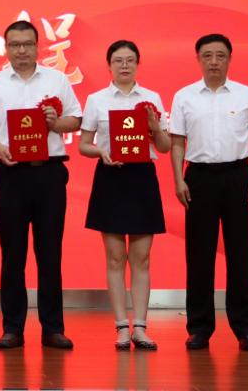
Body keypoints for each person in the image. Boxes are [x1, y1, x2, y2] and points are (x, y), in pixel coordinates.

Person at [0, 20, 82, 350]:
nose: (21, 50)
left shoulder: (56, 79)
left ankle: (53, 328)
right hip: (11, 174)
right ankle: (13, 327)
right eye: (15, 45)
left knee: (50, 253)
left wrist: (55, 123)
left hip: (49, 174)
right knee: (12, 254)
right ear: (6, 48)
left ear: (37, 47)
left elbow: (75, 119)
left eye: (27, 44)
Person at [169, 33, 248, 352]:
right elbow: (177, 143)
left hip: (238, 176)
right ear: (198, 59)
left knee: (241, 254)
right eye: (207, 55)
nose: (214, 61)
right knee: (199, 255)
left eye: (220, 55)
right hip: (198, 178)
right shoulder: (184, 96)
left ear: (229, 59)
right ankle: (199, 328)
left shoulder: (247, 95)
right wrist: (178, 179)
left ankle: (246, 329)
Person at [78, 40, 170, 351]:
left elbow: (164, 147)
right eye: (118, 60)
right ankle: (120, 326)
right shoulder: (96, 100)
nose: (124, 65)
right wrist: (101, 153)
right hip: (111, 178)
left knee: (141, 257)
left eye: (130, 60)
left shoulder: (152, 98)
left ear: (137, 64)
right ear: (109, 65)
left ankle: (140, 327)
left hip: (142, 179)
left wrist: (155, 127)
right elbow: (84, 145)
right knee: (116, 257)